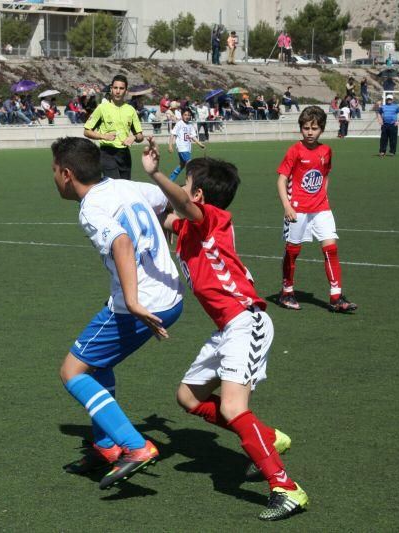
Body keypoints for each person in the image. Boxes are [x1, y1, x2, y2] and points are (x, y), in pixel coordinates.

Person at [140, 139, 309, 521]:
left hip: (246, 321)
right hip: (227, 329)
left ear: (198, 195)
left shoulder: (211, 217)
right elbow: (159, 215)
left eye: (185, 184)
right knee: (188, 397)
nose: (180, 189)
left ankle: (286, 488)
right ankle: (267, 437)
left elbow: (181, 207)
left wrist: (152, 173)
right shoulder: (186, 227)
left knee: (233, 407)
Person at [51, 136, 183, 490]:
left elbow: (121, 242)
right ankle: (105, 446)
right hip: (170, 295)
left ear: (66, 173)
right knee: (99, 364)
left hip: (141, 305)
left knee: (72, 371)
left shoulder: (91, 208)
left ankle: (135, 447)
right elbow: (168, 201)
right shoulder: (127, 186)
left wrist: (133, 301)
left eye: (53, 171)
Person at [276, 106, 357, 313]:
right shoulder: (294, 150)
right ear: (301, 129)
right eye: (306, 128)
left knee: (331, 249)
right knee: (293, 251)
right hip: (297, 209)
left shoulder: (326, 151)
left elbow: (325, 175)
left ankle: (336, 297)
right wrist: (287, 206)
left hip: (321, 208)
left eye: (314, 128)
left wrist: (323, 196)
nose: (310, 132)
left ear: (322, 129)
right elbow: (282, 179)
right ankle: (286, 292)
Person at [84, 74, 144, 180]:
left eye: (121, 88)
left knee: (125, 187)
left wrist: (134, 137)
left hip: (124, 154)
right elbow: (87, 131)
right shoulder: (102, 108)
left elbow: (140, 136)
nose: (118, 91)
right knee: (115, 185)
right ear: (111, 89)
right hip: (107, 153)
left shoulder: (131, 110)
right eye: (115, 88)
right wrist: (103, 136)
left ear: (126, 91)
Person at [169, 107, 206, 182]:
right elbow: (172, 134)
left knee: (182, 165)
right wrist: (170, 146)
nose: (187, 116)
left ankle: (170, 180)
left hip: (187, 148)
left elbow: (193, 136)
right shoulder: (179, 124)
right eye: (185, 115)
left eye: (189, 115)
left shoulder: (190, 125)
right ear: (182, 116)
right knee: (190, 165)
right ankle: (191, 183)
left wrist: (200, 144)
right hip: (182, 148)